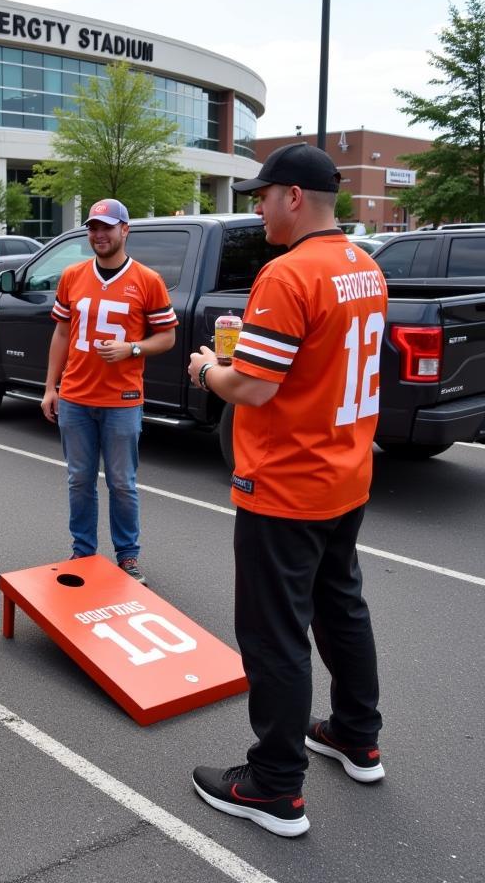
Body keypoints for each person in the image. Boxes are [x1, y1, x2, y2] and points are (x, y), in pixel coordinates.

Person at [187, 143, 387, 838]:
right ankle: (358, 736)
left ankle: (273, 786)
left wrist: (210, 368)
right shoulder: (364, 265)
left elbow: (256, 385)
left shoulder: (288, 273)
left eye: (262, 196)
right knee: (341, 608)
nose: (257, 208)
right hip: (346, 472)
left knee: (274, 634)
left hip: (286, 482)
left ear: (293, 197)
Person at [41, 199, 177, 582]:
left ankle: (128, 556)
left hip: (122, 400)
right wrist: (51, 387)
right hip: (76, 398)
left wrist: (132, 348)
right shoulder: (72, 275)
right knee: (79, 479)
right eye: (93, 228)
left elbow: (166, 336)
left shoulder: (147, 280)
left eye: (107, 227)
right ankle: (83, 552)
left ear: (125, 230)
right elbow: (63, 333)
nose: (99, 234)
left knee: (122, 483)